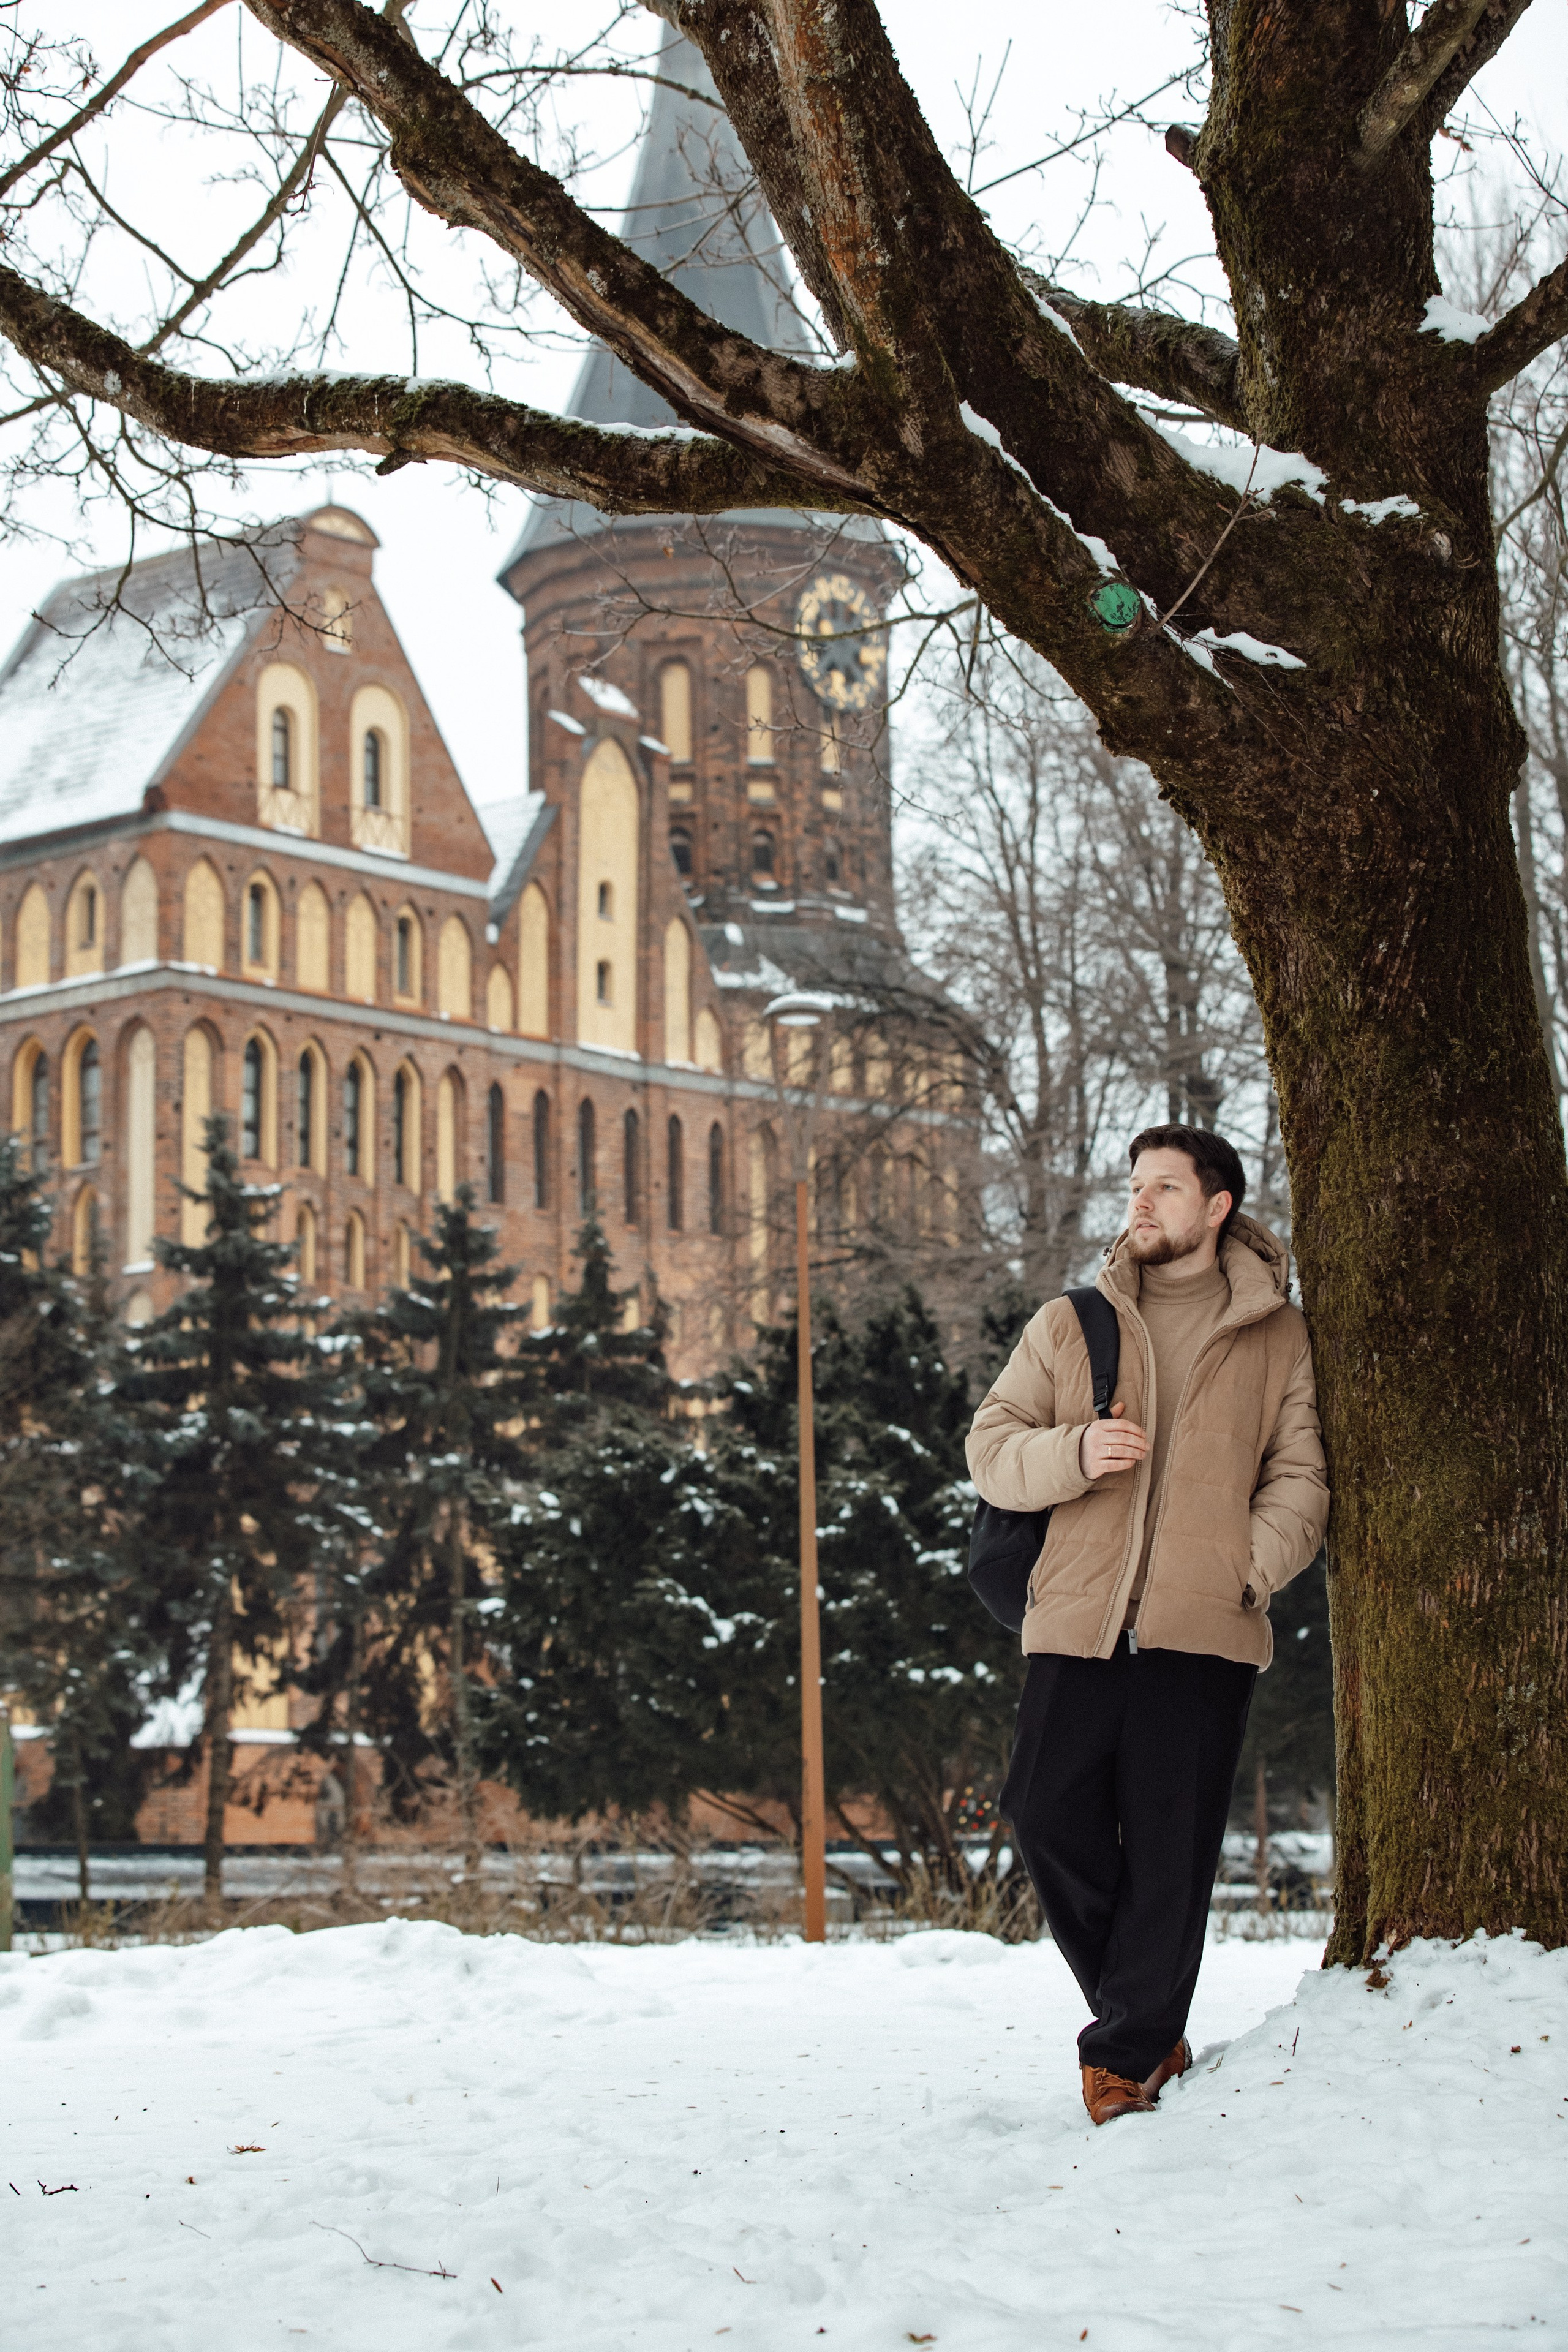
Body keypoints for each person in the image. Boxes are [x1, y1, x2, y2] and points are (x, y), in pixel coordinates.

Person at [967, 1126, 1328, 2126]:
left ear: (1218, 1207)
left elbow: (1300, 1475)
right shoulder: (1072, 1323)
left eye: (1166, 1188)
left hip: (1204, 1628)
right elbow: (992, 1452)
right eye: (1136, 1186)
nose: (1142, 1203)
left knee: (1174, 1847)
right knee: (1044, 1815)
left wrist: (1245, 1569)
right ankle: (1145, 2015)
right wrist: (1078, 1451)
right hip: (1078, 1619)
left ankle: (1126, 2054)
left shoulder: (1278, 1334)